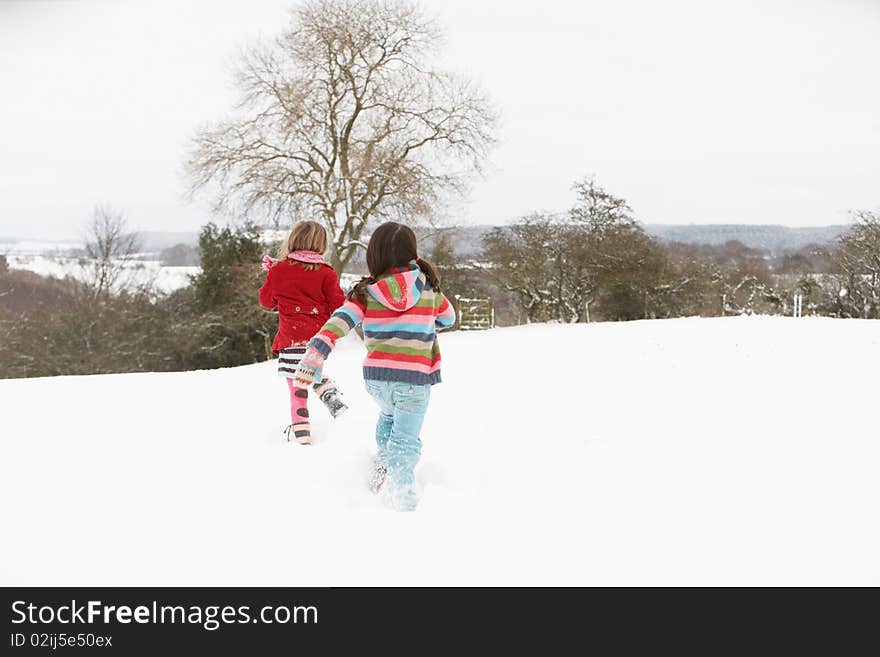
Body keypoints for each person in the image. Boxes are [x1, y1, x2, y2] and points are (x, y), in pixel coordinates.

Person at [293, 222, 456, 510]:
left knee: (388, 418)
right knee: (405, 440)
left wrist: (315, 354)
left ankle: (378, 473)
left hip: (378, 380)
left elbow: (337, 324)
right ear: (412, 253)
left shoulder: (366, 292)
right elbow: (448, 319)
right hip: (413, 382)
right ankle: (401, 498)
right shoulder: (429, 288)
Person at [258, 220, 348, 445]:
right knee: (310, 370)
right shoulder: (326, 273)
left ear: (293, 240)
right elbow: (340, 306)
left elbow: (265, 301)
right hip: (319, 339)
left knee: (296, 387)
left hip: (290, 338)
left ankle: (302, 438)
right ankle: (326, 390)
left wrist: (273, 277)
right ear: (322, 245)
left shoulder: (279, 270)